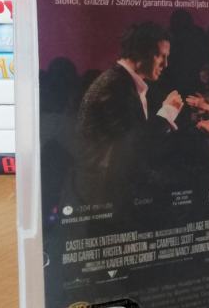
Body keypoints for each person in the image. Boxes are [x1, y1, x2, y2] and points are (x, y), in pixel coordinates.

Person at [75, 22, 184, 209]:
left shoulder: (122, 82)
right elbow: (133, 146)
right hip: (104, 197)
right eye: (160, 56)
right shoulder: (115, 86)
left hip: (110, 191)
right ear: (140, 52)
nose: (165, 64)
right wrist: (167, 113)